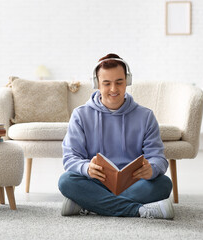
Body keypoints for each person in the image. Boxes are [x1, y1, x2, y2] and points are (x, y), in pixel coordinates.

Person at [58, 53, 174, 219]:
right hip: (96, 182)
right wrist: (87, 168)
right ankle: (139, 210)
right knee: (66, 181)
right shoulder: (80, 115)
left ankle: (89, 205)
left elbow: (159, 159)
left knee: (163, 184)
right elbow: (70, 158)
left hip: (134, 183)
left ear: (127, 81)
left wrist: (152, 169)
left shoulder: (145, 116)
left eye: (119, 82)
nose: (114, 89)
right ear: (97, 84)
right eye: (107, 83)